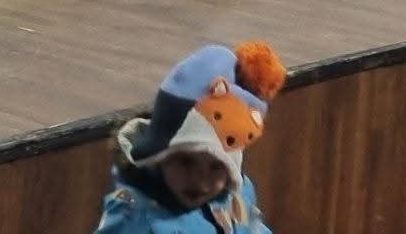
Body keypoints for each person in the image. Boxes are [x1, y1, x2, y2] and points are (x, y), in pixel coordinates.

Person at [93, 41, 284, 233]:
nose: (200, 181)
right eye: (185, 162)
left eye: (216, 166)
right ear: (158, 156)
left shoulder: (237, 194)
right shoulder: (132, 218)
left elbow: (253, 228)